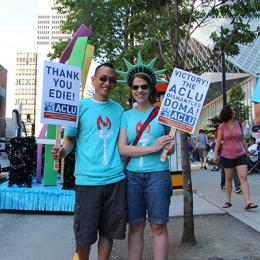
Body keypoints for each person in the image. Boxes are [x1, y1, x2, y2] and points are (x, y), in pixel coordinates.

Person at [51, 63, 127, 260]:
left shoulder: (119, 111)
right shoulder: (79, 108)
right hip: (87, 182)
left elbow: (124, 144)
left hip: (114, 180)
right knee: (84, 235)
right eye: (103, 78)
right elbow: (69, 141)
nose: (107, 83)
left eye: (111, 79)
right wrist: (62, 152)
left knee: (108, 232)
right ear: (93, 80)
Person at [117, 53, 174, 260]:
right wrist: (152, 148)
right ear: (131, 91)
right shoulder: (125, 116)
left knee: (158, 226)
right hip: (132, 177)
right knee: (136, 226)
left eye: (144, 86)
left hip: (157, 176)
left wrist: (170, 146)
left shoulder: (164, 114)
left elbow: (170, 147)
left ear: (151, 88)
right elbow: (123, 149)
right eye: (135, 87)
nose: (139, 90)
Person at [213, 105, 257, 210]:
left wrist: (247, 151)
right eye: (232, 111)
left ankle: (247, 202)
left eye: (234, 110)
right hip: (227, 155)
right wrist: (215, 155)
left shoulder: (238, 124)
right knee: (228, 179)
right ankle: (228, 201)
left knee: (243, 177)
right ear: (227, 113)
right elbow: (218, 141)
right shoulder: (222, 127)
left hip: (240, 154)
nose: (234, 112)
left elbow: (242, 139)